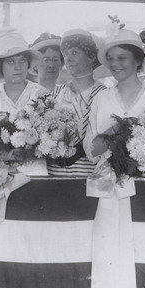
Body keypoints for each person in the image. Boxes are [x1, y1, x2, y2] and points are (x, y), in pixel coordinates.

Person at [0, 33, 48, 176]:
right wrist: (9, 155)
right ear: (1, 67)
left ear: (28, 63)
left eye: (22, 60)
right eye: (10, 62)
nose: (18, 67)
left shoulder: (41, 94)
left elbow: (52, 139)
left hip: (35, 174)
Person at [85, 29, 145, 160]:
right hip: (106, 172)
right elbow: (91, 152)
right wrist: (118, 127)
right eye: (110, 59)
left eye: (122, 58)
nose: (114, 64)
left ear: (138, 60)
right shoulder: (101, 99)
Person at [47, 29, 106, 177]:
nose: (68, 58)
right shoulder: (55, 93)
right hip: (54, 175)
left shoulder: (104, 95)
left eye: (75, 52)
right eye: (66, 54)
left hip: (89, 176)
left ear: (91, 57)